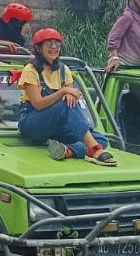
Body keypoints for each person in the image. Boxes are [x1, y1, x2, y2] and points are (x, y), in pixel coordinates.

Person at [18, 28, 115, 165]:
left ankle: (68, 151)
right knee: (65, 105)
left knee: (102, 139)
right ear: (38, 48)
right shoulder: (30, 70)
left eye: (57, 44)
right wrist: (62, 93)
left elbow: (72, 96)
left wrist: (71, 96)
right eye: (49, 44)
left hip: (57, 126)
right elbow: (38, 104)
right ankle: (94, 150)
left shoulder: (65, 70)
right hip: (32, 122)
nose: (54, 47)